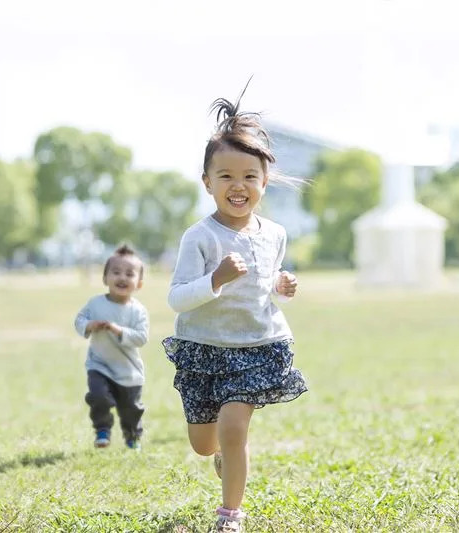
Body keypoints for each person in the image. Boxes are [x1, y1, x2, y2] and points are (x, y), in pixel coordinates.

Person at [162, 90, 308, 533]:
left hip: (257, 346)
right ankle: (224, 453)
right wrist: (216, 280)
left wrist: (282, 287)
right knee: (205, 444)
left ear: (265, 180)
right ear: (207, 182)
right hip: (204, 349)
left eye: (249, 175)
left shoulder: (276, 233)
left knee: (233, 422)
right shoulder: (199, 238)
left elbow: (267, 284)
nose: (238, 185)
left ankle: (230, 516)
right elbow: (177, 298)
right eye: (225, 175)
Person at [74, 244, 149, 450]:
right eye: (115, 272)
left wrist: (118, 330)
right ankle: (102, 430)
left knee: (130, 409)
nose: (122, 278)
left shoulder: (138, 311)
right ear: (105, 278)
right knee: (98, 396)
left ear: (139, 283)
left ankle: (132, 436)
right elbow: (80, 319)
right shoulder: (95, 304)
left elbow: (142, 337)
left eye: (129, 274)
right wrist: (88, 325)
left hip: (129, 371)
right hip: (99, 364)